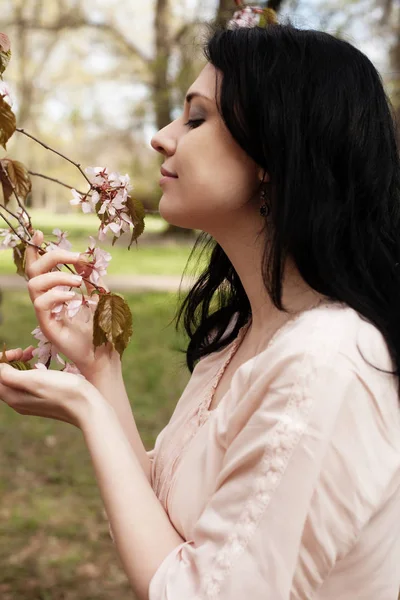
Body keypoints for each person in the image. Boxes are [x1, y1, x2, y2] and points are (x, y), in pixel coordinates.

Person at [1, 10, 400, 600]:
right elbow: (161, 524)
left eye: (196, 118)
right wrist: (99, 368)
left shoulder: (323, 364)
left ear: (273, 153)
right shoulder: (245, 331)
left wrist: (87, 409)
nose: (161, 136)